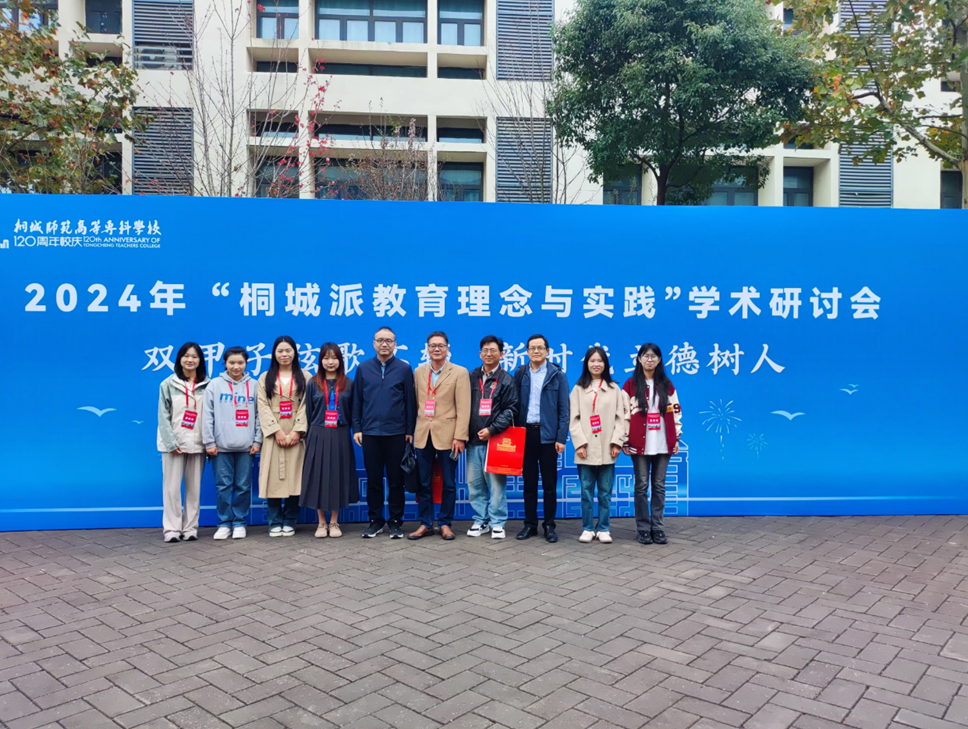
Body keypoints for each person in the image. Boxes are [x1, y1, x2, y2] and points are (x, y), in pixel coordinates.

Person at [352, 327, 416, 539]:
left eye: (389, 340)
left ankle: (396, 521)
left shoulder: (404, 368)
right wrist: (357, 428)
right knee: (374, 480)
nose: (384, 344)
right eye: (380, 340)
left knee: (396, 480)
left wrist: (409, 429)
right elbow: (357, 401)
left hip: (396, 433)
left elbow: (410, 401)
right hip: (370, 433)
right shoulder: (363, 368)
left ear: (395, 344)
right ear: (374, 343)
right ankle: (376, 520)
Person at [408, 332, 471, 542]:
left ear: (447, 348)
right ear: (427, 348)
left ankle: (445, 523)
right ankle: (426, 523)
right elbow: (415, 404)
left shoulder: (459, 372)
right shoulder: (419, 372)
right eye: (432, 345)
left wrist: (460, 436)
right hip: (423, 434)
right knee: (423, 482)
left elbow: (464, 407)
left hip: (449, 436)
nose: (436, 349)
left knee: (449, 483)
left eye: (441, 345)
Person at [623, 343, 682, 546]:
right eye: (646, 356)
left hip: (663, 443)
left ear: (659, 360)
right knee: (641, 486)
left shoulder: (666, 384)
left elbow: (676, 411)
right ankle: (642, 528)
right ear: (639, 359)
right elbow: (623, 414)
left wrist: (676, 437)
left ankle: (657, 527)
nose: (650, 359)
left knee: (659, 485)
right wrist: (624, 439)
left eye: (654, 356)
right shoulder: (630, 385)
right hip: (639, 444)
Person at [569, 346, 629, 544]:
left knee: (605, 492)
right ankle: (587, 528)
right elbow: (573, 419)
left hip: (607, 448)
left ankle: (603, 528)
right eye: (592, 360)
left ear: (605, 364)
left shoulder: (614, 389)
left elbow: (621, 419)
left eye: (600, 361)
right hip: (585, 450)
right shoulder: (578, 389)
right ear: (586, 363)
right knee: (586, 491)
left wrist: (617, 442)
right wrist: (579, 443)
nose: (596, 364)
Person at [513, 334, 568, 543]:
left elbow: (564, 410)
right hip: (525, 434)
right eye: (532, 348)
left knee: (549, 484)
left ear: (547, 351)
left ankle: (549, 526)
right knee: (529, 483)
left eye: (540, 348)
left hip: (548, 436)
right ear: (527, 351)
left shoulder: (557, 375)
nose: (536, 351)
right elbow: (513, 404)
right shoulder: (521, 373)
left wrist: (561, 438)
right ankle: (530, 524)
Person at [204, 347, 262, 540]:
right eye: (232, 363)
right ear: (225, 363)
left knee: (243, 486)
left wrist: (257, 440)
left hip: (247, 447)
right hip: (220, 447)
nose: (236, 366)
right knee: (223, 486)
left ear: (246, 363)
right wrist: (209, 442)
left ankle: (239, 523)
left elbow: (260, 415)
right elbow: (207, 415)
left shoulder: (254, 385)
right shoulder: (214, 385)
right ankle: (224, 523)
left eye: (240, 363)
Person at [301, 344, 359, 538]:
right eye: (326, 358)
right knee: (318, 477)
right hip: (318, 433)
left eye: (334, 358)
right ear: (320, 361)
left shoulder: (349, 383)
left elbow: (353, 411)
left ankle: (334, 521)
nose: (330, 362)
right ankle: (321, 522)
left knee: (337, 476)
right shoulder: (313, 383)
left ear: (340, 360)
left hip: (340, 434)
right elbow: (309, 412)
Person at [465, 335, 519, 539]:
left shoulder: (507, 380)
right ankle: (481, 520)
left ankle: (497, 522)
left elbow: (512, 409)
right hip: (473, 441)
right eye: (485, 350)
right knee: (475, 484)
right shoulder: (471, 377)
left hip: (496, 441)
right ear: (480, 354)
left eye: (493, 350)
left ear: (501, 354)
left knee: (496, 485)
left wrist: (493, 429)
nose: (489, 354)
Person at [157, 342, 210, 543]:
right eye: (186, 356)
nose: (190, 360)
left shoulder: (208, 384)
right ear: (179, 359)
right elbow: (163, 416)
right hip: (174, 445)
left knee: (194, 489)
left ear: (200, 360)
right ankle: (171, 529)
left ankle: (190, 528)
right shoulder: (167, 384)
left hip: (198, 443)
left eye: (195, 356)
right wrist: (171, 443)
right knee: (171, 489)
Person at [257, 336, 307, 538]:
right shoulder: (265, 377)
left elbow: (307, 405)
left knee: (296, 477)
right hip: (273, 434)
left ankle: (290, 520)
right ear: (274, 354)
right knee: (273, 478)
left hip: (296, 432)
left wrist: (297, 431)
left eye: (288, 350)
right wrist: (276, 431)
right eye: (280, 351)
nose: (284, 354)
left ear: (294, 352)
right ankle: (274, 521)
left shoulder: (305, 376)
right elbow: (262, 405)